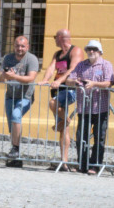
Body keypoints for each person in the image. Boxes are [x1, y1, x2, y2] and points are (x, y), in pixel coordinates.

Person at [67, 39, 114, 175]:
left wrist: (94, 84)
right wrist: (74, 81)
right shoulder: (81, 65)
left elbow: (109, 82)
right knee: (81, 137)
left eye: (94, 49)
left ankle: (95, 165)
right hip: (84, 107)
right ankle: (82, 164)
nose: (91, 51)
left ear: (100, 51)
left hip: (101, 107)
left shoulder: (106, 64)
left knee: (99, 138)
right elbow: (69, 79)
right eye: (88, 49)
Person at [41, 28, 82, 169]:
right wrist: (46, 79)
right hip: (57, 90)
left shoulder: (75, 51)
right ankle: (64, 162)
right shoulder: (57, 53)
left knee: (53, 104)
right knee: (64, 128)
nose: (54, 40)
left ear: (61, 37)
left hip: (69, 89)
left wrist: (60, 81)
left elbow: (73, 69)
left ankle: (66, 118)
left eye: (55, 37)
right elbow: (52, 67)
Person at [0, 35, 39, 163]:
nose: (19, 48)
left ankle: (15, 149)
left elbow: (30, 78)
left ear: (27, 47)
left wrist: (14, 76)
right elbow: (0, 78)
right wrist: (5, 75)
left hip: (25, 96)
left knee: (16, 117)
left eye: (22, 46)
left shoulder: (31, 59)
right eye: (17, 46)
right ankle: (16, 157)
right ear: (14, 46)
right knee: (13, 125)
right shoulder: (7, 58)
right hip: (10, 96)